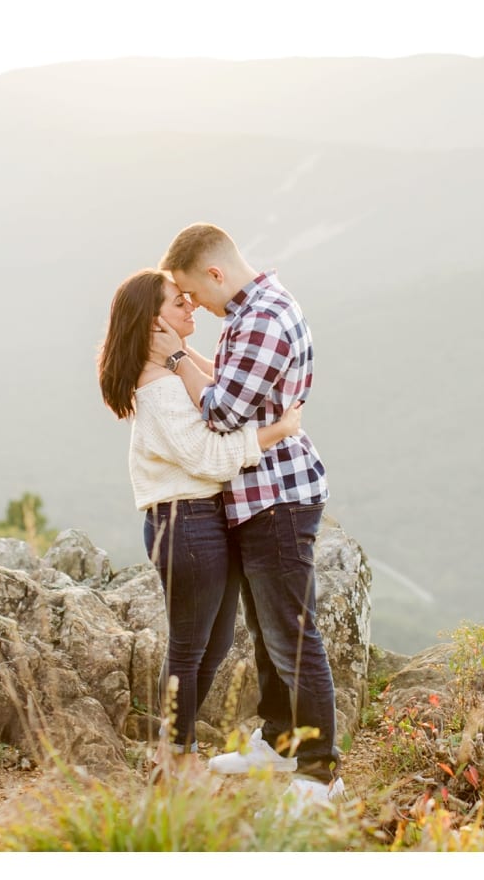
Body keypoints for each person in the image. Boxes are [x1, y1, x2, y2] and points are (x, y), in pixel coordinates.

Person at [152, 223, 343, 805]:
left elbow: (222, 412)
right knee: (267, 632)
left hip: (278, 500)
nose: (198, 307)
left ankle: (318, 773)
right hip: (261, 497)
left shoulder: (259, 318)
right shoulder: (253, 311)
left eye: (194, 293)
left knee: (293, 637)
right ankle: (279, 741)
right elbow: (236, 388)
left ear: (215, 273)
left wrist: (177, 356)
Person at [97, 268, 304, 758]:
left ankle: (178, 744)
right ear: (153, 323)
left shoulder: (170, 372)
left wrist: (178, 350)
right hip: (185, 523)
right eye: (177, 303)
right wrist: (280, 430)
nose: (191, 307)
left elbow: (221, 389)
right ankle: (176, 753)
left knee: (213, 646)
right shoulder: (159, 389)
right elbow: (207, 456)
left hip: (204, 519)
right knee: (190, 649)